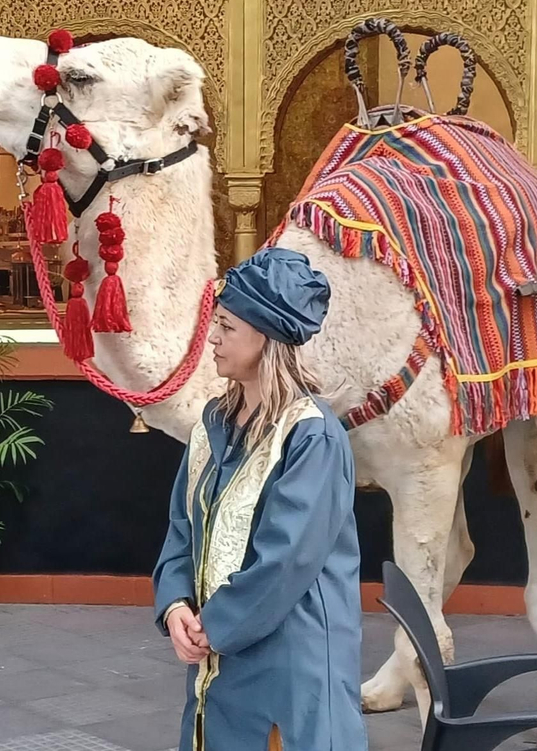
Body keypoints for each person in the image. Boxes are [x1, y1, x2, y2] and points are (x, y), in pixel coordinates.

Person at [152, 247, 365, 751]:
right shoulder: (214, 423)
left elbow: (286, 561)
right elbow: (182, 528)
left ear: (266, 337)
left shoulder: (313, 437)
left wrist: (212, 627)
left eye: (227, 326)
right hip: (220, 653)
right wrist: (176, 602)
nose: (214, 337)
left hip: (288, 660)